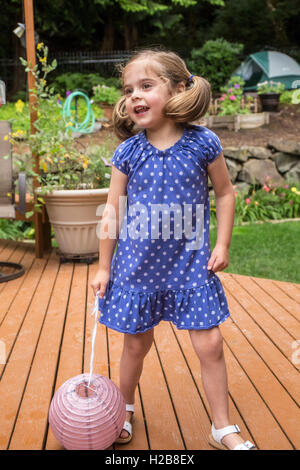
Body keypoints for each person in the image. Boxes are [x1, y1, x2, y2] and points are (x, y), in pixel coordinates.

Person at [91, 49, 256, 451]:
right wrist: (103, 267)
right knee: (136, 344)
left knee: (210, 344)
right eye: (129, 90)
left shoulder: (203, 143)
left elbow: (226, 193)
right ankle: (123, 408)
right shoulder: (129, 152)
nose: (134, 96)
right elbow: (112, 210)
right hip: (138, 267)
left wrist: (222, 243)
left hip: (189, 266)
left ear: (180, 89)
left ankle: (222, 427)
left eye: (146, 86)